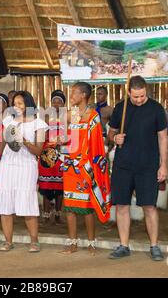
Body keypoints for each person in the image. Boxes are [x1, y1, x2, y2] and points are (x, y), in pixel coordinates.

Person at [107, 75, 168, 261]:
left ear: (145, 91)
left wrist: (163, 165)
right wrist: (114, 138)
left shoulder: (156, 109)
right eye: (135, 97)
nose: (139, 100)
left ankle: (154, 246)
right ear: (128, 92)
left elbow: (163, 138)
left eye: (142, 96)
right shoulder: (120, 107)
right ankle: (124, 245)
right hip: (123, 166)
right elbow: (111, 132)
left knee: (149, 206)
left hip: (148, 166)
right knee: (122, 206)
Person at [0, 91, 48, 252]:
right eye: (14, 104)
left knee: (27, 202)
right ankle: (8, 241)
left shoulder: (39, 124)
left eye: (20, 104)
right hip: (7, 164)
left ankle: (34, 241)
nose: (16, 107)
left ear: (28, 105)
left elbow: (38, 151)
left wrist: (24, 141)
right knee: (5, 204)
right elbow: (3, 141)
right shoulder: (8, 120)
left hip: (26, 165)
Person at [60, 82, 111, 255]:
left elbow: (96, 145)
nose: (71, 96)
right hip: (71, 166)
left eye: (74, 93)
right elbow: (71, 138)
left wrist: (89, 163)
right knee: (70, 206)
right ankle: (73, 242)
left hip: (86, 167)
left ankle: (91, 242)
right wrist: (63, 140)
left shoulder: (93, 116)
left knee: (87, 206)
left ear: (83, 95)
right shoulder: (73, 114)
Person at [38, 90, 66, 225]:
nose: (56, 103)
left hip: (62, 155)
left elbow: (74, 135)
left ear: (63, 103)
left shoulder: (70, 117)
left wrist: (64, 140)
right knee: (46, 186)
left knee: (60, 187)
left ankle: (58, 214)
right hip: (47, 154)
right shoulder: (45, 117)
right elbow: (40, 135)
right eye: (54, 101)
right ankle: (46, 214)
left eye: (59, 101)